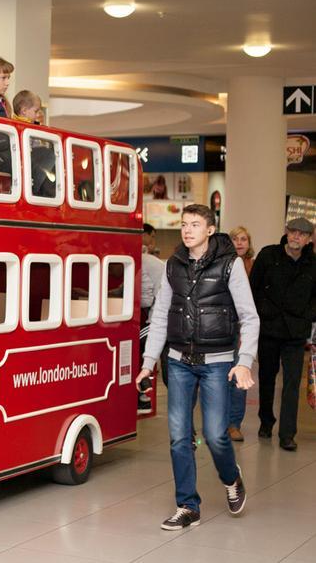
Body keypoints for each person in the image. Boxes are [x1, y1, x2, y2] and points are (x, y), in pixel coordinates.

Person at [136, 204, 258, 530]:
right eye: (184, 224)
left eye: (194, 224)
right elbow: (160, 316)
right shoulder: (173, 264)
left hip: (217, 363)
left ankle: (231, 479)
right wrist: (148, 362)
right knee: (179, 437)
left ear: (210, 230)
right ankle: (187, 506)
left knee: (215, 435)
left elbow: (250, 317)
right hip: (179, 362)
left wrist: (244, 362)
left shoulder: (230, 264)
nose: (187, 230)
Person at [249, 217, 316, 451]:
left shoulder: (313, 263)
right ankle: (266, 422)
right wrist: (260, 312)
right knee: (266, 378)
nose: (296, 236)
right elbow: (253, 287)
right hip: (269, 328)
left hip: (296, 332)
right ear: (287, 233)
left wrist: (308, 315)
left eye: (302, 234)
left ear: (309, 239)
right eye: (293, 231)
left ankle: (287, 434)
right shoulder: (268, 255)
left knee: (291, 383)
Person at [227, 226, 256, 441]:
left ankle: (234, 424)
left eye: (243, 239)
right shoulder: (223, 264)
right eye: (235, 239)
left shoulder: (255, 267)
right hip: (223, 327)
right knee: (220, 377)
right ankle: (220, 422)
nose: (239, 243)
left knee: (240, 377)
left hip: (244, 327)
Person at [138, 223, 166, 414]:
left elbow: (146, 298)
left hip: (158, 316)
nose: (153, 240)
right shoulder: (148, 260)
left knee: (140, 344)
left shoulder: (143, 260)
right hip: (161, 315)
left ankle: (143, 396)